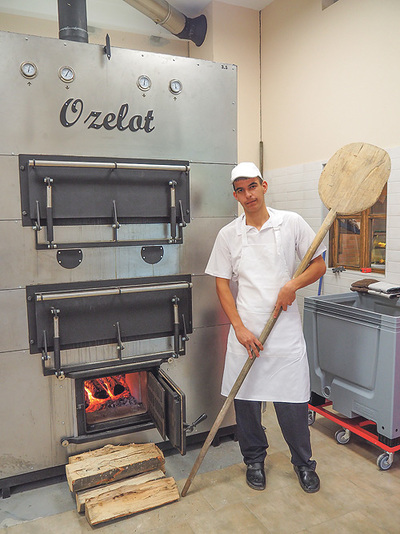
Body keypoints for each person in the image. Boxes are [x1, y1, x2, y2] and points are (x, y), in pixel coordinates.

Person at [205, 162, 326, 493]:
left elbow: (319, 265)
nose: (248, 194)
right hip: (246, 334)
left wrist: (293, 286)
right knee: (245, 401)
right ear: (235, 196)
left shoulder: (291, 224)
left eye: (253, 186)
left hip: (284, 332)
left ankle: (303, 463)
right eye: (241, 190)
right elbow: (221, 284)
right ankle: (254, 460)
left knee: (293, 403)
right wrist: (240, 329)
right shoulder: (228, 235)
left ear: (264, 186)